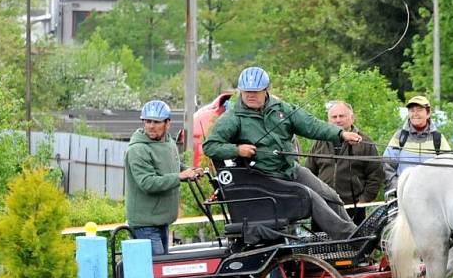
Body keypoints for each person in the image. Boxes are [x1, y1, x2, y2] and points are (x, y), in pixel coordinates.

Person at [202, 67, 363, 239]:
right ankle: (350, 238)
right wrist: (237, 150)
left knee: (330, 195)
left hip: (289, 169)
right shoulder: (233, 118)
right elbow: (210, 146)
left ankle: (357, 234)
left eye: (256, 92)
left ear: (266, 90)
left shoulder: (282, 109)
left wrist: (341, 134)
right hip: (263, 176)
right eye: (246, 91)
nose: (250, 95)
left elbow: (312, 125)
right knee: (309, 198)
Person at [124, 100, 203, 255]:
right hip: (145, 225)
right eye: (148, 121)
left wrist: (189, 171)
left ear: (168, 124)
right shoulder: (138, 150)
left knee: (164, 273)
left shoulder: (168, 142)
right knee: (156, 274)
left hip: (162, 221)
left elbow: (173, 165)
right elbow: (148, 183)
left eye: (156, 122)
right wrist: (180, 176)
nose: (151, 126)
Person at [306, 101, 384, 224]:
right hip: (323, 208)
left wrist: (363, 201)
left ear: (352, 118)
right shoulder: (319, 142)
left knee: (353, 243)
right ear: (328, 120)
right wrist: (314, 200)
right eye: (334, 117)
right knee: (322, 243)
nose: (337, 120)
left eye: (341, 116)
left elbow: (375, 175)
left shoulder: (365, 143)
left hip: (353, 209)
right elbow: (309, 173)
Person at [382, 95, 450, 192]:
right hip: (402, 197)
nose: (415, 114)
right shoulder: (400, 136)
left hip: (431, 197)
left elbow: (448, 167)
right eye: (412, 110)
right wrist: (397, 188)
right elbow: (387, 165)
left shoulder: (438, 139)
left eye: (419, 110)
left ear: (428, 113)